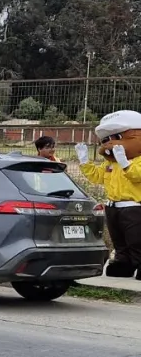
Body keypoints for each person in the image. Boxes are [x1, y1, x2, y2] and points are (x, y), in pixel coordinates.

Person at [76, 109, 141, 280]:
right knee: (118, 239)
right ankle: (123, 262)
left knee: (137, 240)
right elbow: (97, 177)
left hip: (134, 207)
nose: (109, 144)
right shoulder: (110, 163)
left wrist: (125, 163)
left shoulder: (137, 160)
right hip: (113, 206)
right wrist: (84, 162)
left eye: (117, 138)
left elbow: (137, 176)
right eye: (106, 140)